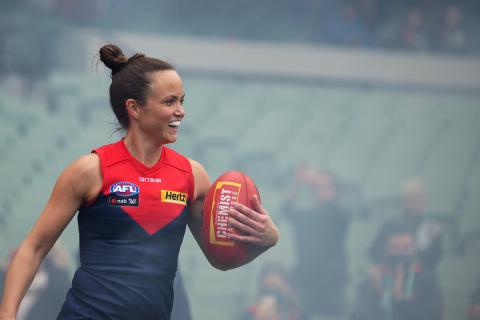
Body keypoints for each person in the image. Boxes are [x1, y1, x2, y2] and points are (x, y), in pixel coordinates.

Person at [0, 44, 280, 320]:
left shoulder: (193, 176)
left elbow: (219, 259)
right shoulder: (90, 170)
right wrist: (7, 314)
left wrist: (266, 241)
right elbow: (33, 248)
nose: (180, 111)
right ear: (134, 108)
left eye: (182, 101)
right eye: (169, 101)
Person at [283, 164, 350, 318]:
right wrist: (297, 185)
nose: (317, 191)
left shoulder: (340, 214)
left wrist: (314, 179)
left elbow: (330, 212)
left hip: (332, 280)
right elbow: (287, 209)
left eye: (324, 187)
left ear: (334, 191)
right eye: (316, 188)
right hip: (307, 278)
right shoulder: (307, 216)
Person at [351, 231, 443, 320]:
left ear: (415, 250)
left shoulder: (426, 281)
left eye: (406, 248)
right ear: (385, 249)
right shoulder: (371, 280)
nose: (400, 252)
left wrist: (400, 300)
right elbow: (358, 315)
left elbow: (433, 316)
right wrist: (379, 291)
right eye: (394, 247)